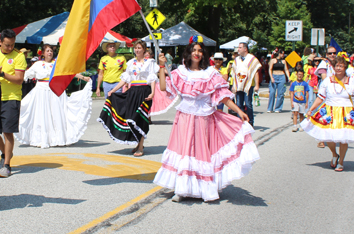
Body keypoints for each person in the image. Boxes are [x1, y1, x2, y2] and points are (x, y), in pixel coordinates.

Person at [154, 38, 260, 202]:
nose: (197, 53)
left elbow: (222, 96)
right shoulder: (180, 72)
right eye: (194, 50)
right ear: (188, 53)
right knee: (184, 150)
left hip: (204, 117)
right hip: (184, 116)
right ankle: (182, 189)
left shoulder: (210, 73)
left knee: (201, 151)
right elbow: (163, 87)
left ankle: (204, 189)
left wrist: (239, 110)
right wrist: (161, 66)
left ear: (203, 54)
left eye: (200, 50)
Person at [302, 56, 354, 172]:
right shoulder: (327, 81)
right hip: (330, 112)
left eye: (341, 66)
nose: (338, 68)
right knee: (328, 137)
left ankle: (341, 162)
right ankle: (335, 154)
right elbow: (320, 98)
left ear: (345, 67)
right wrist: (311, 110)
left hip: (346, 113)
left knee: (343, 139)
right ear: (333, 67)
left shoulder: (351, 81)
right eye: (336, 66)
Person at [15, 45, 92, 148]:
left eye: (51, 51)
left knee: (56, 114)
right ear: (43, 53)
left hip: (55, 90)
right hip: (41, 91)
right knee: (42, 115)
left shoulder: (57, 64)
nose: (49, 53)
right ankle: (42, 139)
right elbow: (25, 75)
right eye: (47, 51)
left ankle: (58, 138)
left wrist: (83, 77)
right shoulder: (38, 64)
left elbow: (69, 72)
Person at [97, 40, 158, 157]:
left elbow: (152, 78)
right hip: (133, 91)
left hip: (144, 91)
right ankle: (138, 143)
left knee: (140, 118)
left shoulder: (150, 62)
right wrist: (113, 90)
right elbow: (125, 79)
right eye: (136, 48)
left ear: (144, 49)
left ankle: (140, 147)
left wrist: (153, 93)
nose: (137, 50)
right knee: (130, 118)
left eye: (140, 48)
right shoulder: (130, 62)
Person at [0, 29, 27, 178]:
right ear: (0, 42)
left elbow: (19, 79)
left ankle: (7, 165)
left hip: (11, 97)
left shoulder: (19, 56)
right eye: (7, 45)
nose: (10, 48)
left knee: (8, 131)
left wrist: (2, 74)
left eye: (12, 45)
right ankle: (5, 152)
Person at [231, 42, 261, 126]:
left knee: (248, 104)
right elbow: (234, 73)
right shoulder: (236, 59)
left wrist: (257, 85)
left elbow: (256, 72)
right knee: (239, 104)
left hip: (248, 85)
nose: (238, 49)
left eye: (240, 47)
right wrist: (233, 85)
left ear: (245, 49)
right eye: (238, 47)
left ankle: (250, 122)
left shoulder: (252, 59)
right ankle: (240, 122)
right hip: (238, 85)